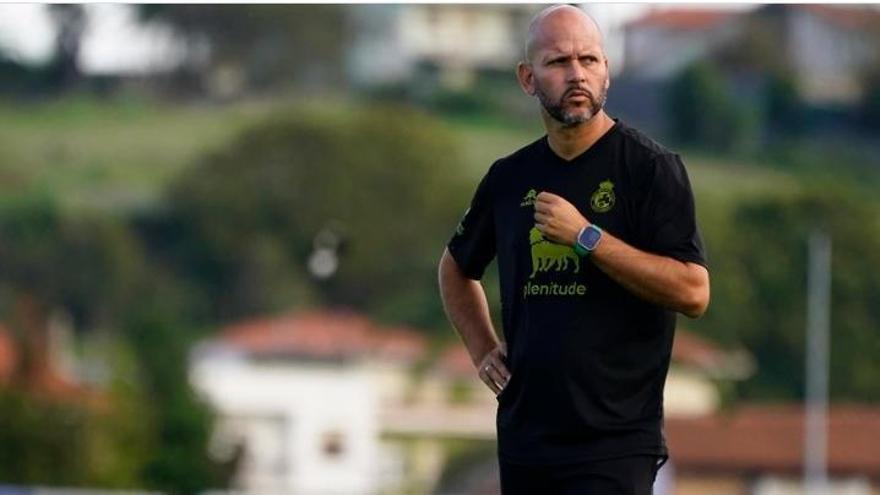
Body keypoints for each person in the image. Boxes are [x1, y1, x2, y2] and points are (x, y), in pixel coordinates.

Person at [437, 5, 710, 494]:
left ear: (607, 69)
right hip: (527, 439)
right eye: (559, 62)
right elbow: (456, 269)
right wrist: (482, 351)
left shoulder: (649, 169)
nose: (577, 73)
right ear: (528, 77)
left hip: (616, 441)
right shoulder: (509, 178)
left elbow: (693, 291)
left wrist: (587, 237)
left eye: (589, 60)